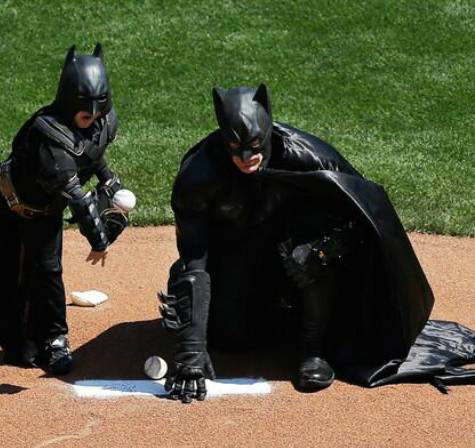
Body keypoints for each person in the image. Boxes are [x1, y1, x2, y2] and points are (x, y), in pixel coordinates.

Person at [158, 82, 468, 402]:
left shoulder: (309, 156)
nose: (247, 157)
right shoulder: (199, 175)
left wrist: (322, 250)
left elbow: (368, 217)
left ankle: (315, 349)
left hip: (303, 251)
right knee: (231, 338)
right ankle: (256, 309)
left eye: (254, 143)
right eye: (236, 146)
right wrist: (191, 350)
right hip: (242, 251)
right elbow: (195, 253)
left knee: (310, 247)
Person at [0, 44, 131, 375]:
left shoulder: (102, 121)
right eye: (88, 116)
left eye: (100, 114)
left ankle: (56, 341)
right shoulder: (48, 138)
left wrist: (111, 183)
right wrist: (100, 240)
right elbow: (78, 200)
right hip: (6, 193)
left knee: (49, 269)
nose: (95, 121)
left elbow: (93, 153)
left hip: (44, 209)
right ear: (70, 103)